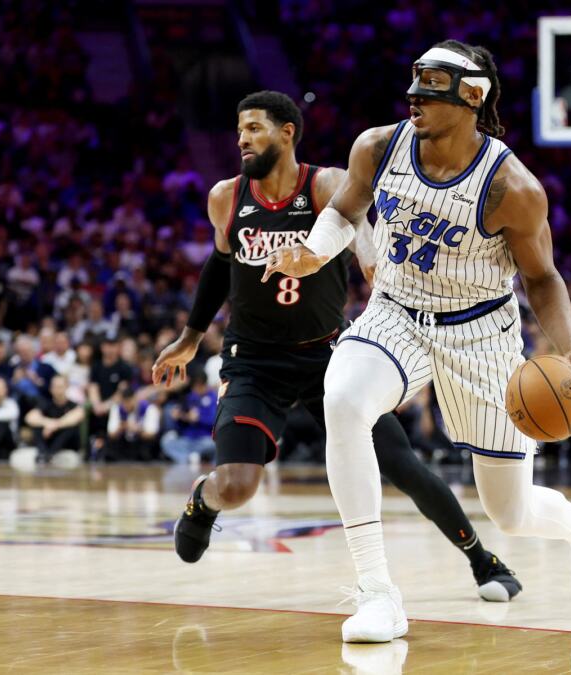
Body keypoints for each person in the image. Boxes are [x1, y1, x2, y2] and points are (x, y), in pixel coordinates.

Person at [263, 40, 571, 643]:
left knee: (510, 513)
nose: (414, 97)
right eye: (415, 82)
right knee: (342, 400)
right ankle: (377, 592)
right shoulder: (378, 147)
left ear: (472, 96)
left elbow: (542, 278)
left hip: (481, 333)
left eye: (430, 87)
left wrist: (568, 348)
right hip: (395, 313)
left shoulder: (513, 188)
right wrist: (314, 251)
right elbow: (345, 211)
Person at [153, 90, 520, 605]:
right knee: (236, 486)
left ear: (287, 133)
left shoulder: (324, 184)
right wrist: (190, 338)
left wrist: (371, 260)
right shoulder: (225, 197)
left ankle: (482, 558)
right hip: (254, 360)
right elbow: (219, 265)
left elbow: (357, 224)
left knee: (402, 464)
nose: (242, 139)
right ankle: (203, 499)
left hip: (327, 354)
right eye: (239, 130)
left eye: (254, 128)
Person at [24, 374, 85, 461]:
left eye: (60, 387)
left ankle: (50, 454)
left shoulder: (73, 405)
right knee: (37, 427)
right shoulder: (46, 404)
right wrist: (48, 423)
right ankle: (42, 453)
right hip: (49, 439)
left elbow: (78, 416)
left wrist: (55, 426)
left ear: (67, 387)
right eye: (55, 386)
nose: (57, 389)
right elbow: (29, 417)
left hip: (68, 444)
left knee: (70, 428)